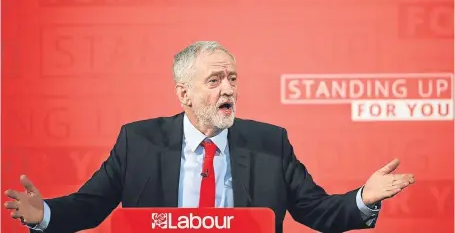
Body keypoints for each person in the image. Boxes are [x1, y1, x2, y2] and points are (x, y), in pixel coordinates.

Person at [4, 41, 415, 233]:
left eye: (233, 79)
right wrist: (46, 215)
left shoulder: (270, 143)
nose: (229, 90)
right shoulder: (139, 141)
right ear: (184, 93)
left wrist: (364, 197)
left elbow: (318, 211)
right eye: (215, 80)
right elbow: (91, 206)